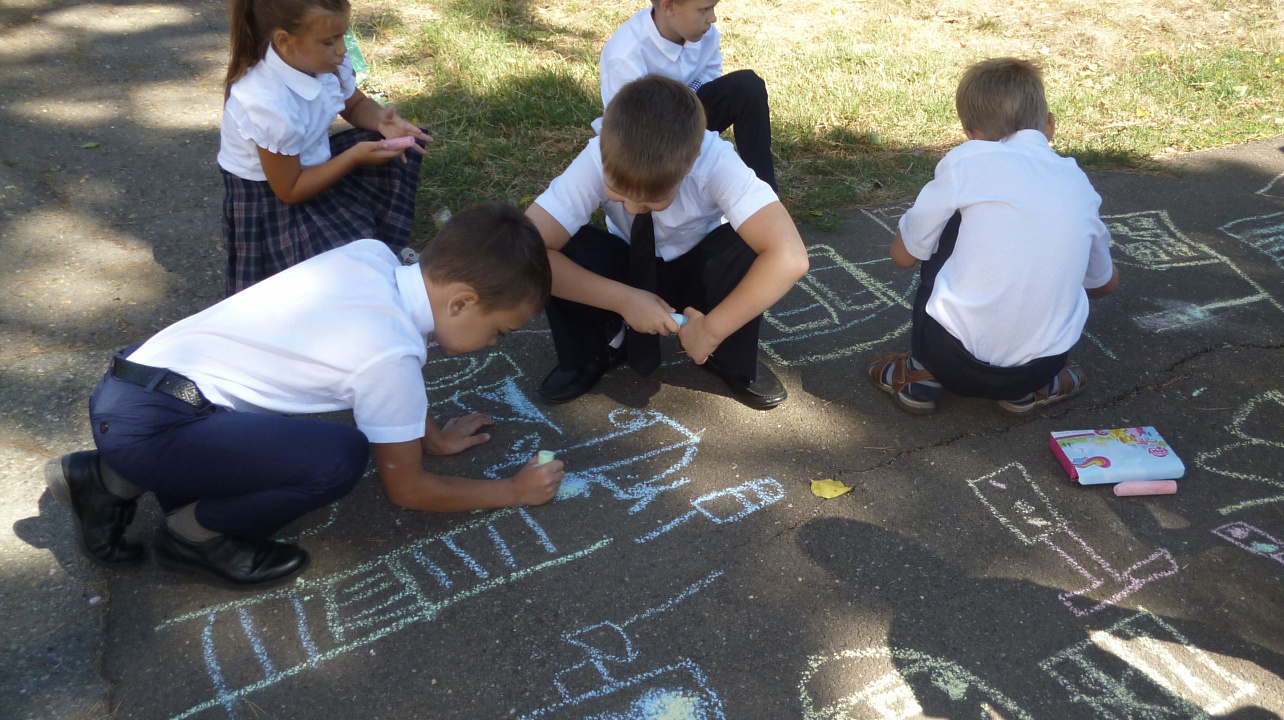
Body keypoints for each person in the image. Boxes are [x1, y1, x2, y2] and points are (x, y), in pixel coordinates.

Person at [43, 204, 564, 590]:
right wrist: (511, 492)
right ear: (462, 303)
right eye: (500, 331)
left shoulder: (374, 257)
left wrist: (430, 437)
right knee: (337, 458)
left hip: (134, 382)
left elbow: (398, 362)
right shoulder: (391, 358)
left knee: (251, 429)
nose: (495, 343)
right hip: (156, 426)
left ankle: (104, 479)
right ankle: (191, 538)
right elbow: (409, 490)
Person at [527, 75, 809, 410]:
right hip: (628, 264)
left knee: (749, 246)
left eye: (649, 201)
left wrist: (714, 329)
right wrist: (624, 300)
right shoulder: (599, 155)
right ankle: (596, 348)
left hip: (697, 269)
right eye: (619, 192)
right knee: (555, 246)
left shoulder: (715, 161)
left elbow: (790, 256)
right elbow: (524, 249)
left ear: (689, 164)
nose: (631, 207)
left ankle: (726, 353)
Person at [866, 58, 1118, 415]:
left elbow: (903, 256)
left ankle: (920, 374)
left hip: (948, 357)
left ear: (971, 135)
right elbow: (1104, 283)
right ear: (1049, 125)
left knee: (954, 222)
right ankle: (1026, 391)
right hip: (1040, 368)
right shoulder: (1078, 183)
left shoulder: (967, 162)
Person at [218, 0, 433, 294]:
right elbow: (290, 189)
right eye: (329, 41)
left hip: (308, 164)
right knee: (313, 279)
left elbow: (354, 103)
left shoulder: (323, 61)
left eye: (343, 36)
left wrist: (382, 122)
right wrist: (354, 157)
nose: (342, 49)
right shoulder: (266, 102)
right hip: (271, 195)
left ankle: (381, 255)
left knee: (389, 156)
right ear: (284, 41)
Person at [598, 0, 776, 190]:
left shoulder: (704, 33)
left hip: (689, 114)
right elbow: (626, 127)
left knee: (747, 86)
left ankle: (765, 190)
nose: (713, 18)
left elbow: (711, 73)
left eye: (713, 7)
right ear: (668, 6)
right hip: (645, 139)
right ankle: (654, 207)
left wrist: (690, 116)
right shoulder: (626, 54)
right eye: (704, 10)